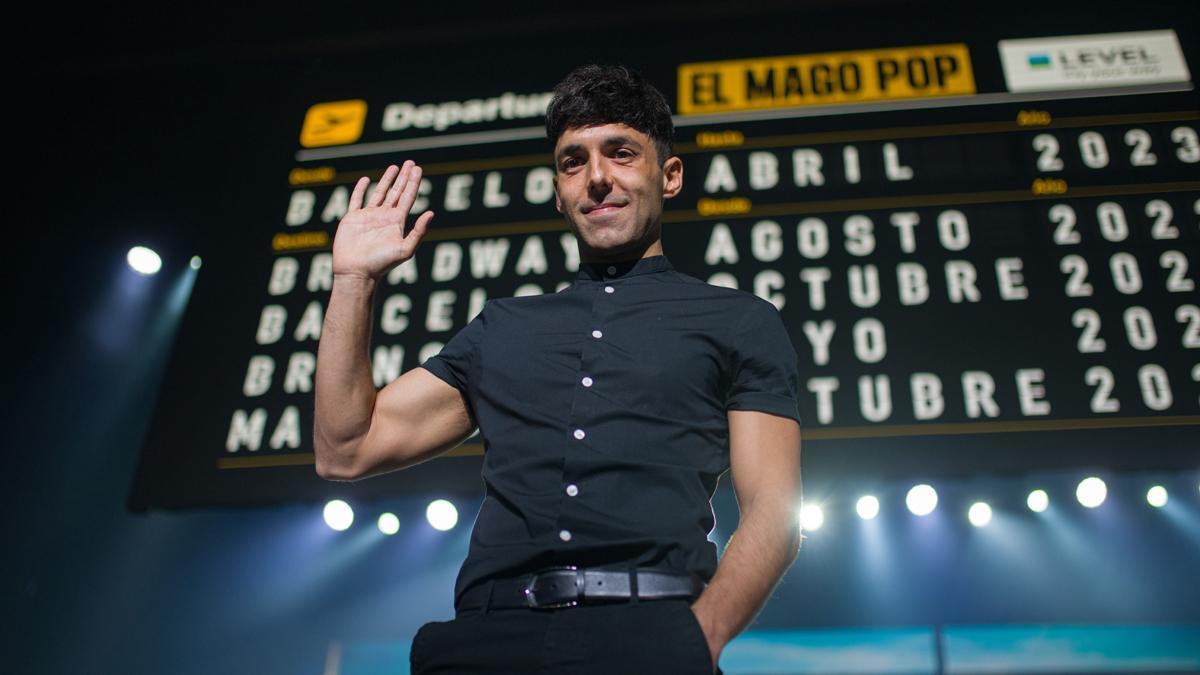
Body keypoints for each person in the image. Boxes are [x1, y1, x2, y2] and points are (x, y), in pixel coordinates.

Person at [314, 64, 802, 674]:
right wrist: (353, 280)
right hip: (483, 646)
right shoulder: (500, 328)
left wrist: (699, 637)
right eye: (574, 161)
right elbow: (345, 448)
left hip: (650, 636)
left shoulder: (738, 320)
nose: (597, 178)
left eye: (621, 153)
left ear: (669, 175)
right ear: (557, 190)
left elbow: (774, 513)